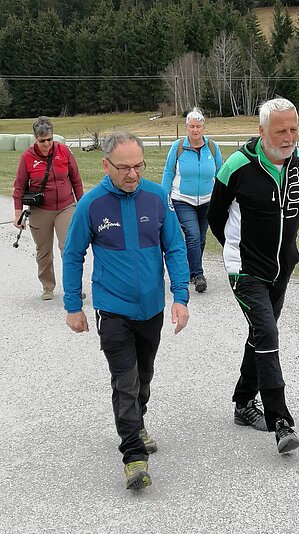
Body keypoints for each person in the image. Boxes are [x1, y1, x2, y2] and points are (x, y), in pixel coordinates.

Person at [62, 132, 189, 491]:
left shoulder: (157, 197)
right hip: (112, 309)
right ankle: (133, 455)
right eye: (124, 168)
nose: (132, 174)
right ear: (106, 165)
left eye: (138, 166)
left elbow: (175, 249)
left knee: (144, 375)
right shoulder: (92, 204)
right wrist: (74, 305)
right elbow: (72, 255)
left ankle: (138, 421)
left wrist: (180, 296)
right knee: (125, 379)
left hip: (151, 308)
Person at [207, 98, 299, 454]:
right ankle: (280, 420)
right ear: (262, 131)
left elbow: (293, 216)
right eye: (280, 130)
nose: (288, 137)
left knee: (260, 335)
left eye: (293, 129)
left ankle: (242, 404)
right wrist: (236, 252)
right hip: (246, 269)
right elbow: (216, 217)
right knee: (267, 331)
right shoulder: (236, 167)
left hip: (283, 268)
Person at [13, 116, 84, 300]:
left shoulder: (64, 151)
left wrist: (82, 205)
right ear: (35, 139)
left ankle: (73, 287)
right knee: (44, 251)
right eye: (42, 140)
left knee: (68, 247)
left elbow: (76, 180)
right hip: (40, 209)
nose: (47, 144)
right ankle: (47, 286)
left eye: (50, 139)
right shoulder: (27, 157)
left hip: (66, 206)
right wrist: (18, 213)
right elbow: (19, 186)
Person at [161, 107, 223, 293]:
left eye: (198, 126)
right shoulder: (178, 147)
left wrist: (224, 198)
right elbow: (168, 172)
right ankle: (198, 274)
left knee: (201, 238)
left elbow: (221, 173)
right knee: (193, 235)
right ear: (186, 128)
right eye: (191, 126)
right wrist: (164, 199)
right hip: (182, 200)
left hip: (207, 200)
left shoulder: (212, 147)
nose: (195, 130)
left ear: (203, 128)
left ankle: (190, 270)